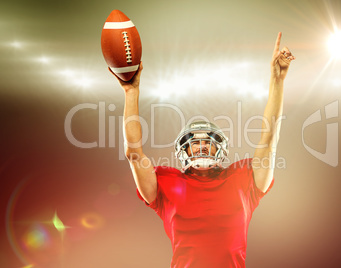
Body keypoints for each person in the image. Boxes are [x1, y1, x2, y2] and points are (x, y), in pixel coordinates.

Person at [113, 32, 295, 268]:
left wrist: (277, 81)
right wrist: (131, 92)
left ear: (219, 147)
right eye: (194, 142)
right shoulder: (167, 184)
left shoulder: (243, 179)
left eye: (206, 141)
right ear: (183, 151)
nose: (200, 146)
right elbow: (134, 154)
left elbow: (270, 140)